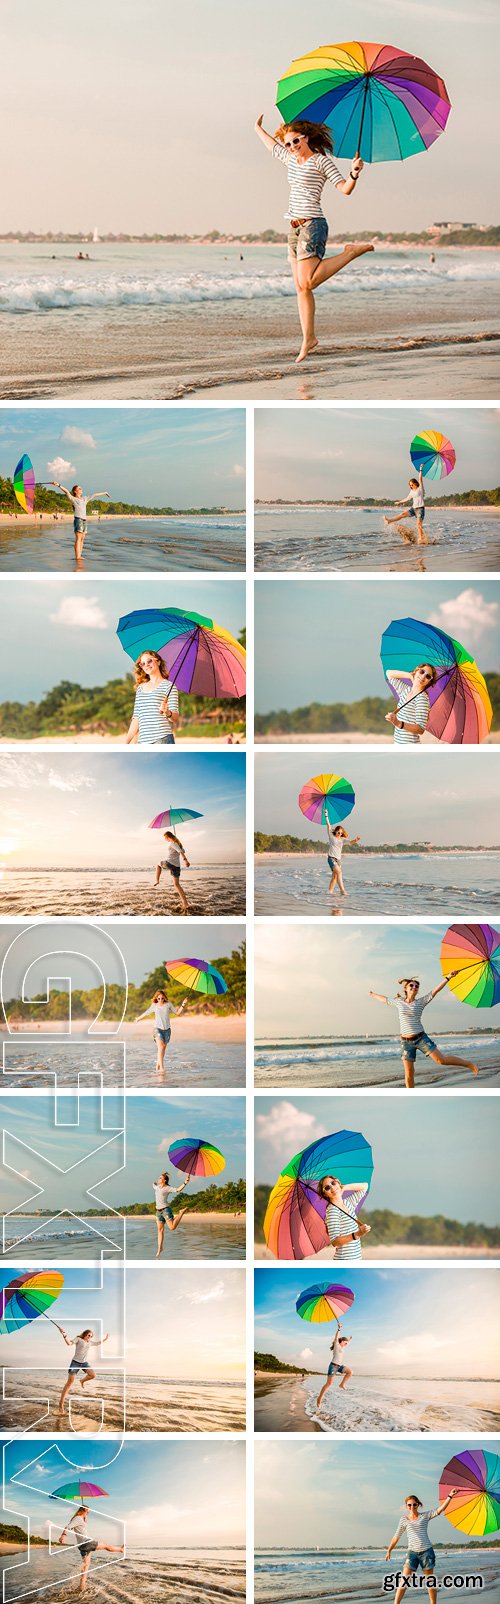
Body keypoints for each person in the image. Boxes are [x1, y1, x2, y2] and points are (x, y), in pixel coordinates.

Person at [254, 115, 374, 363]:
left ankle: (349, 253)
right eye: (288, 143)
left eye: (295, 141)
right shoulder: (290, 159)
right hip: (294, 227)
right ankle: (309, 338)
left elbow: (344, 189)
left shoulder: (321, 161)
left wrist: (354, 173)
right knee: (300, 287)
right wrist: (257, 129)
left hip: (313, 225)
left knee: (308, 282)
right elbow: (272, 148)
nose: (291, 147)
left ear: (306, 138)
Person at [369, 975, 480, 1088]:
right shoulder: (399, 1002)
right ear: (406, 989)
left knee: (441, 1061)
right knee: (409, 1073)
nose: (414, 987)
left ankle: (468, 1064)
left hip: (421, 1038)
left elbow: (435, 990)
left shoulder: (421, 1002)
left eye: (417, 986)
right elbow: (384, 999)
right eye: (411, 985)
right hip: (406, 1042)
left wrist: (448, 978)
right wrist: (372, 994)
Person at [385, 1487, 461, 1604]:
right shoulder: (403, 1519)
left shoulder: (424, 1516)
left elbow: (440, 1509)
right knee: (404, 1580)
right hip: (412, 1553)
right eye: (409, 1505)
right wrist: (389, 1550)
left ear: (418, 1505)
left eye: (414, 1505)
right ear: (406, 1506)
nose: (412, 1507)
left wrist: (450, 1495)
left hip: (426, 1552)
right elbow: (397, 1536)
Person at [58, 1505, 124, 1596]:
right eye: (88, 1512)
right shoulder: (78, 1518)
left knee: (86, 1566)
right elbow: (67, 1527)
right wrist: (63, 1536)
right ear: (84, 1510)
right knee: (106, 1546)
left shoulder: (80, 1519)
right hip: (87, 1542)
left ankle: (81, 1586)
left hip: (82, 1546)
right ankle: (121, 1549)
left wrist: (84, 1521)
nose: (88, 1514)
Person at [126, 650, 179, 745]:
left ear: (158, 661)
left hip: (163, 739)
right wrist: (126, 743)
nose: (146, 665)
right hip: (142, 742)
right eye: (142, 664)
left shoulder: (169, 686)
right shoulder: (140, 688)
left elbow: (175, 718)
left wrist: (167, 712)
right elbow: (136, 718)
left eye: (149, 661)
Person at [50, 480, 110, 561]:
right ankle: (77, 556)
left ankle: (80, 556)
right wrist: (58, 485)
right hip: (78, 520)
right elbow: (66, 491)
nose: (81, 489)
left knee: (82, 539)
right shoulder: (73, 499)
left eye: (81, 488)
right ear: (75, 491)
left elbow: (94, 495)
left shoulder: (85, 498)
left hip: (85, 520)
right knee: (78, 538)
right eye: (79, 488)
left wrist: (105, 492)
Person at [134, 987, 187, 1076]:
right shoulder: (154, 1005)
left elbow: (177, 1013)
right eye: (159, 998)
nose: (160, 999)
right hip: (157, 1029)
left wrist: (183, 1004)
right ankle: (162, 1068)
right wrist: (138, 1019)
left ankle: (157, 1065)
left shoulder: (168, 1004)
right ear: (156, 998)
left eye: (162, 998)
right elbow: (146, 1013)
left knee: (162, 1049)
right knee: (161, 1046)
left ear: (164, 998)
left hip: (167, 1030)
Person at [317, 1175, 371, 1261]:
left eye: (333, 1183)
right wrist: (358, 1234)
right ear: (325, 1194)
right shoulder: (332, 1211)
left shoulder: (348, 1202)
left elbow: (365, 1186)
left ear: (338, 1182)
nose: (332, 1187)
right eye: (327, 1187)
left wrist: (344, 1187)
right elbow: (335, 1241)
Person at [56, 1326, 109, 1414]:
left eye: (91, 1336)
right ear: (85, 1334)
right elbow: (69, 1343)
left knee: (93, 1375)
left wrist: (105, 1339)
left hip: (84, 1363)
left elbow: (97, 1343)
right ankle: (61, 1403)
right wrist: (64, 1334)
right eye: (89, 1335)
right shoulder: (78, 1339)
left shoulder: (90, 1342)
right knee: (69, 1383)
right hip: (75, 1363)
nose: (90, 1337)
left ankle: (82, 1381)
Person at [384, 663, 437, 745]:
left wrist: (398, 723)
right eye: (422, 671)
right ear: (416, 670)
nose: (423, 677)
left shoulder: (422, 699)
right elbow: (389, 673)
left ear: (429, 682)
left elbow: (420, 729)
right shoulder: (405, 690)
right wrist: (409, 675)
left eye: (428, 676)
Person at [383, 465, 428, 545]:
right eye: (410, 485)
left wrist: (421, 469)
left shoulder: (420, 488)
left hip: (420, 509)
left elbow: (420, 479)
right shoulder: (412, 491)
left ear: (415, 483)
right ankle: (389, 520)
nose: (411, 486)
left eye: (412, 484)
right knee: (402, 514)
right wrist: (399, 502)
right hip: (413, 509)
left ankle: (421, 539)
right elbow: (407, 498)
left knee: (418, 525)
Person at [316, 1320, 353, 1409]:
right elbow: (336, 1338)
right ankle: (319, 1398)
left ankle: (342, 1384)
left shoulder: (343, 1347)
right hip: (333, 1366)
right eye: (346, 1342)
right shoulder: (337, 1345)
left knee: (350, 1372)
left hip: (339, 1366)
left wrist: (350, 1340)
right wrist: (339, 1329)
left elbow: (347, 1344)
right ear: (342, 1341)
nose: (347, 1344)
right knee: (328, 1384)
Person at [152, 1170, 191, 1256]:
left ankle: (181, 1213)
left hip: (165, 1210)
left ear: (164, 1180)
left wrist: (185, 1182)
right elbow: (154, 1186)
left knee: (172, 1227)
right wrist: (153, 1184)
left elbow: (178, 1190)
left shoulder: (167, 1188)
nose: (159, 1179)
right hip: (158, 1212)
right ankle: (160, 1248)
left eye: (160, 1178)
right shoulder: (157, 1187)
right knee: (160, 1230)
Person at [153, 830, 190, 913]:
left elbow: (181, 852)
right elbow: (183, 850)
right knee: (177, 885)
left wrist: (185, 860)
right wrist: (178, 845)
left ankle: (157, 880)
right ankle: (185, 903)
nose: (165, 839)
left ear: (167, 836)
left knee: (158, 864)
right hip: (177, 866)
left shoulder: (172, 843)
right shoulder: (178, 844)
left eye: (165, 838)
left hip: (170, 863)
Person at [327, 823, 361, 896]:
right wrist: (326, 815)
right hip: (331, 858)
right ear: (335, 831)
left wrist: (355, 840)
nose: (339, 834)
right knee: (339, 872)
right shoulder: (331, 836)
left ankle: (329, 892)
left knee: (335, 877)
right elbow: (328, 825)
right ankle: (343, 891)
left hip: (338, 860)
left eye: (341, 833)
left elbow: (350, 842)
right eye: (338, 832)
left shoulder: (342, 839)